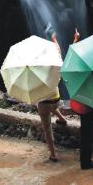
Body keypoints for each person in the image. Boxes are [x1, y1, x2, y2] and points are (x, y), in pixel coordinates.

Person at [72, 28, 93, 170]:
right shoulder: (92, 75)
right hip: (87, 107)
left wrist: (76, 40)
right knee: (86, 135)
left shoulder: (78, 72)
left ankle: (85, 160)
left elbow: (73, 57)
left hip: (80, 104)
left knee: (85, 133)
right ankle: (86, 162)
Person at [36, 32, 67, 162]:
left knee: (47, 128)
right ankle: (62, 119)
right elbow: (58, 51)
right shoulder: (57, 64)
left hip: (44, 103)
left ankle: (53, 154)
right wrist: (54, 39)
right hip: (56, 99)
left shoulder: (36, 70)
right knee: (52, 107)